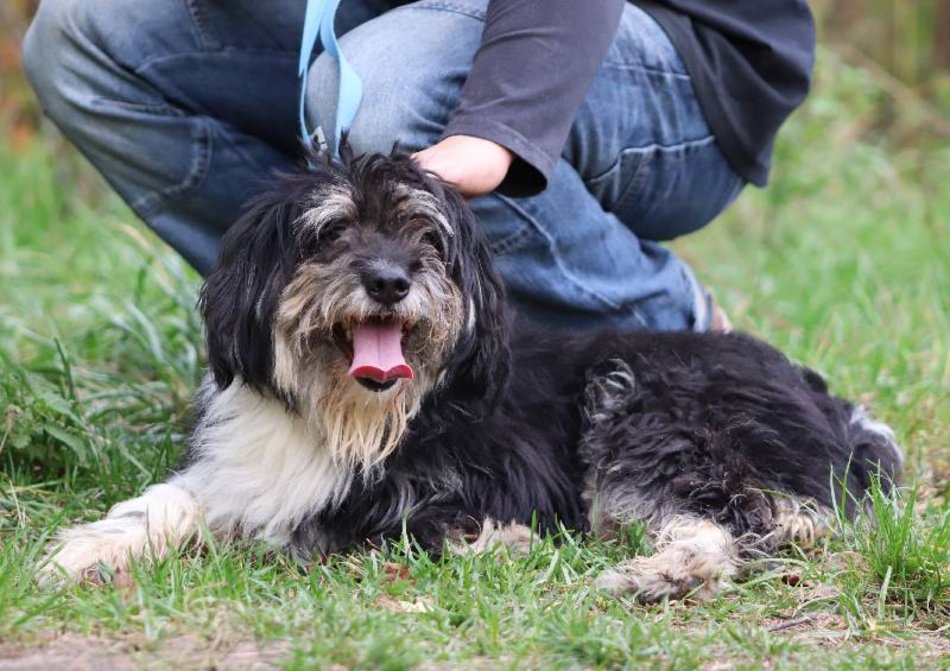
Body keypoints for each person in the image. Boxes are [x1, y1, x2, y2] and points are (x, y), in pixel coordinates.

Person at [22, 0, 815, 332]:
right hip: (394, 15)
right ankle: (320, 343)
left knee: (380, 99)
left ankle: (659, 328)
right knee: (87, 36)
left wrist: (501, 123)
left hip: (676, 58)